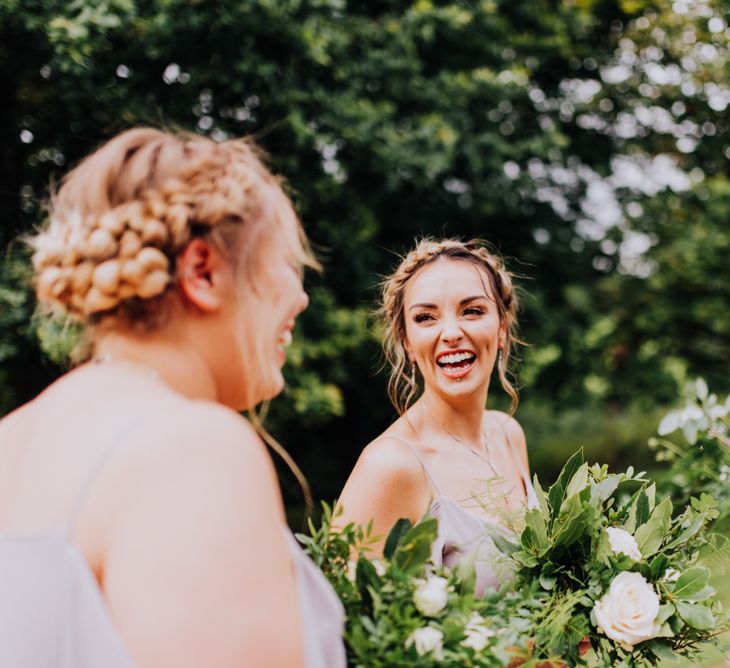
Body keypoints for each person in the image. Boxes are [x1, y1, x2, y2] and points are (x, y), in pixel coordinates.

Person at [0, 128, 345, 667]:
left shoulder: (13, 437)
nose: (300, 296)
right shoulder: (193, 449)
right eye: (289, 265)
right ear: (203, 272)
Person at [337, 238, 538, 595]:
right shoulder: (390, 466)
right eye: (426, 318)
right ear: (408, 343)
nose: (451, 333)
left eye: (472, 311)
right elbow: (344, 625)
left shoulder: (508, 433)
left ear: (502, 328)